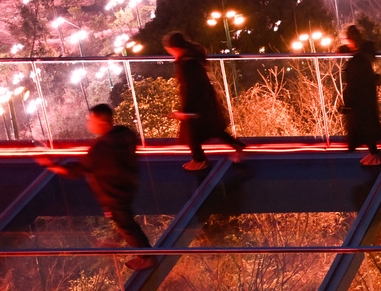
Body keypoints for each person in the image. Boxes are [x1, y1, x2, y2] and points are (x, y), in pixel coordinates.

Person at [36, 105, 154, 270]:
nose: (88, 124)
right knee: (124, 222)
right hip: (128, 185)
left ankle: (147, 257)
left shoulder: (101, 148)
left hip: (112, 193)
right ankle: (130, 247)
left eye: (91, 120)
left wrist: (50, 164)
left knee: (125, 224)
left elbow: (76, 171)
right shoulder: (126, 134)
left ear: (102, 122)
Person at [163, 31, 244, 171]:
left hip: (196, 103)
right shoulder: (192, 59)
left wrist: (186, 110)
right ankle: (237, 146)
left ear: (174, 48)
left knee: (191, 132)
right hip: (205, 100)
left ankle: (199, 159)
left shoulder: (186, 64)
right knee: (213, 128)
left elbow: (189, 87)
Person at [338, 24, 381, 166]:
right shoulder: (363, 54)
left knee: (363, 125)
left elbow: (355, 82)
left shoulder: (358, 60)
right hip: (366, 97)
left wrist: (349, 103)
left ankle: (374, 154)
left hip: (359, 98)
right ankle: (373, 153)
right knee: (367, 124)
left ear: (350, 40)